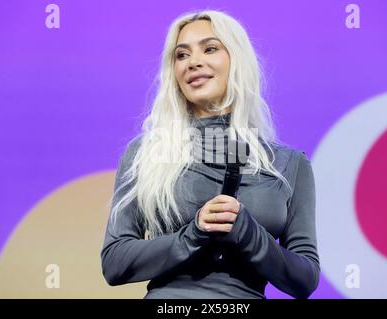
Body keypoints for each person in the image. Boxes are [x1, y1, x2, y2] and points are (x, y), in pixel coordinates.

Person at [100, 10, 319, 299]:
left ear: (237, 60)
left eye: (210, 48)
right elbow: (115, 262)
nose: (193, 62)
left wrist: (248, 233)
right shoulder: (146, 153)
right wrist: (193, 234)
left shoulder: (289, 163)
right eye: (181, 55)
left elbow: (305, 279)